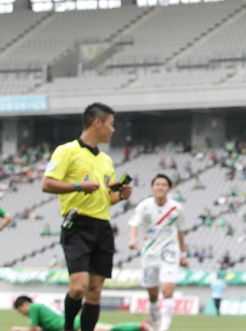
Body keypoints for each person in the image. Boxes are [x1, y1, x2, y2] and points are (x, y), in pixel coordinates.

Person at [42, 102, 133, 331]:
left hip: (102, 226)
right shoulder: (67, 151)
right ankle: (68, 327)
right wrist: (78, 186)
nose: (113, 130)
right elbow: (47, 184)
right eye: (111, 124)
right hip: (78, 224)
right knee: (78, 287)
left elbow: (107, 197)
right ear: (97, 122)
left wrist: (120, 196)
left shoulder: (106, 160)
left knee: (95, 290)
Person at [128, 174, 188, 331]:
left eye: (163, 185)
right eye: (157, 184)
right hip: (149, 253)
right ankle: (155, 323)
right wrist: (132, 240)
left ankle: (164, 328)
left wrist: (183, 254)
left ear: (169, 189)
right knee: (153, 295)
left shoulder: (176, 208)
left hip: (169, 252)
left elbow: (181, 231)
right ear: (152, 188)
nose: (160, 187)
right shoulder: (144, 206)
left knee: (167, 291)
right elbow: (134, 224)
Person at [12, 295, 153, 331]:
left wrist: (19, 329)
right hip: (73, 324)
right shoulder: (38, 307)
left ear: (25, 304)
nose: (21, 313)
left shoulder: (34, 308)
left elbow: (33, 329)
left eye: (20, 310)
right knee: (108, 329)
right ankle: (140, 326)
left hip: (74, 326)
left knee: (109, 329)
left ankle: (140, 326)